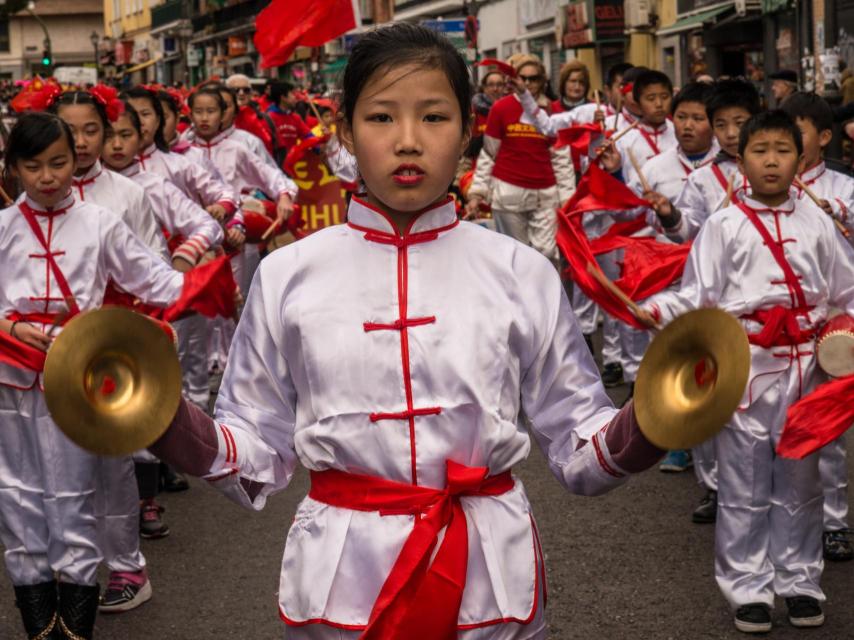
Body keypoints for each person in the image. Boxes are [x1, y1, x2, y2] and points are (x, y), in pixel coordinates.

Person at [149, 23, 665, 639]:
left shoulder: (520, 271)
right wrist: (164, 421)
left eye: (435, 117)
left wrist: (656, 420)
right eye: (381, 118)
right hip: (341, 581)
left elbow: (580, 446)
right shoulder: (287, 274)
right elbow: (255, 453)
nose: (409, 141)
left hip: (488, 575)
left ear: (469, 132)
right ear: (344, 131)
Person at [641, 110, 854, 634]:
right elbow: (698, 295)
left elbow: (846, 295)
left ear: (799, 156)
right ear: (742, 158)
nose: (772, 161)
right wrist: (658, 309)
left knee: (803, 483)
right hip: (745, 366)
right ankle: (748, 588)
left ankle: (801, 583)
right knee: (743, 483)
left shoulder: (819, 222)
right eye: (761, 151)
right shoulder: (723, 224)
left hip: (807, 370)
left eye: (783, 150)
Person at [0, 112, 191, 640]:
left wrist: (206, 289)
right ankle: (38, 620)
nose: (47, 177)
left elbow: (155, 281)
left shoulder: (100, 223)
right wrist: (8, 323)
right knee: (16, 494)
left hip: (77, 379)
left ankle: (76, 623)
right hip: (10, 381)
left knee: (74, 494)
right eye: (33, 166)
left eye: (58, 163)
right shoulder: (1, 228)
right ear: (12, 168)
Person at [624, 81, 720, 515]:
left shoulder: (735, 168)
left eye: (698, 118)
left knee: (714, 363)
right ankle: (679, 438)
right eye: (682, 117)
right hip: (665, 268)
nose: (687, 125)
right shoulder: (654, 162)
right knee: (675, 354)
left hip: (712, 277)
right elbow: (627, 210)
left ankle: (715, 465)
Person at [780, 92, 854, 562]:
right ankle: (785, 519)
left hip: (834, 318)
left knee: (828, 427)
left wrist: (838, 215)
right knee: (776, 424)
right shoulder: (762, 187)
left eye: (798, 133)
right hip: (780, 323)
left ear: (824, 138)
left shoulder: (845, 188)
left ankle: (835, 520)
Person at [465, 53, 575, 268]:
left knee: (547, 255)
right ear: (515, 80)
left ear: (542, 80)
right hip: (508, 193)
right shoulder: (501, 108)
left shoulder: (551, 111)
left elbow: (562, 159)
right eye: (523, 78)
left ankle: (545, 299)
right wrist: (477, 194)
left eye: (533, 79)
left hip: (545, 195)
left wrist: (568, 199)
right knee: (514, 256)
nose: (527, 83)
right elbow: (489, 155)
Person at [652, 79, 761, 242]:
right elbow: (687, 232)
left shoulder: (773, 167)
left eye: (739, 123)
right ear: (712, 127)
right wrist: (671, 216)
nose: (730, 133)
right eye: (721, 125)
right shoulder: (701, 178)